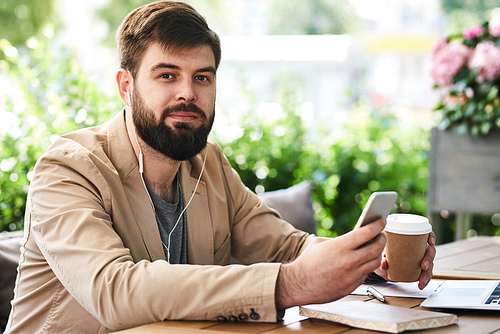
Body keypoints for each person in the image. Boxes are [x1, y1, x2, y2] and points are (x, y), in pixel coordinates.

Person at [5, 1, 436, 333]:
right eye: (167, 75)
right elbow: (113, 289)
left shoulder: (207, 164)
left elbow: (286, 248)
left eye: (202, 77)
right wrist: (289, 285)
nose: (188, 94)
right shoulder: (67, 170)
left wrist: (364, 259)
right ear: (126, 85)